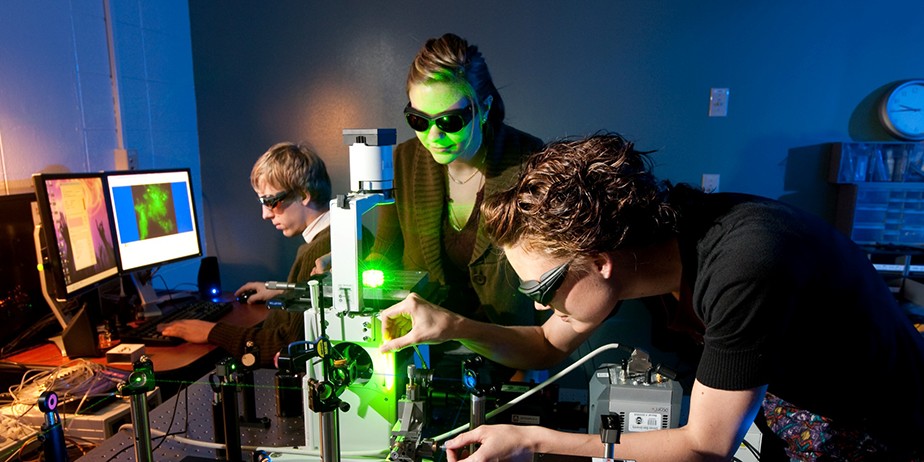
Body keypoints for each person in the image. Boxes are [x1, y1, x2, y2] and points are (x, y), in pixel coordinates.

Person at [379, 133, 924, 461]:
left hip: (878, 432)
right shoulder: (652, 245)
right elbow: (546, 345)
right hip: (792, 409)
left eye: (542, 288)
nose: (541, 304)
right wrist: (452, 325)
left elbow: (704, 446)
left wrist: (537, 442)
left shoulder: (745, 266)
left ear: (601, 262)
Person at [366, 32, 545, 334]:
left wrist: (533, 365)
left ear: (484, 108)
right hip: (428, 344)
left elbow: (551, 274)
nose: (433, 137)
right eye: (418, 120)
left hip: (512, 345)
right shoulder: (404, 160)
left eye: (449, 122)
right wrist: (345, 267)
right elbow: (387, 247)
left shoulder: (530, 161)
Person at [160, 142, 333, 367]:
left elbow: (289, 345)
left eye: (271, 202)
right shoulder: (339, 234)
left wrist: (212, 331)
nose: (265, 214)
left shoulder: (318, 251)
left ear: (304, 195)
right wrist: (282, 289)